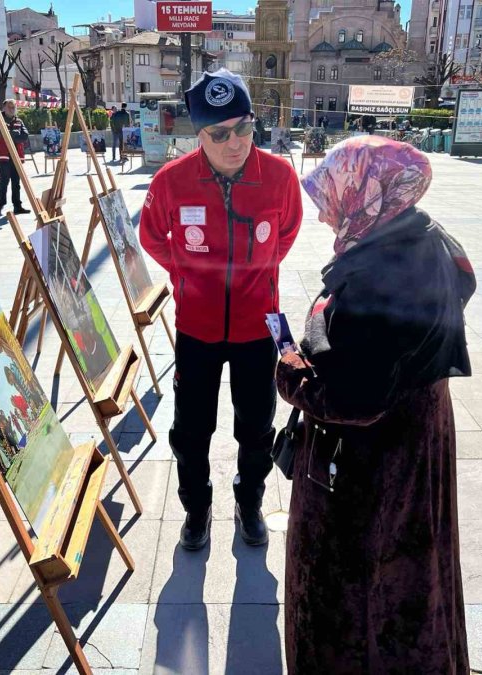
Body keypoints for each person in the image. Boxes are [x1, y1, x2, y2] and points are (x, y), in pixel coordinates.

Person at [276, 136, 474, 674]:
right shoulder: (425, 236)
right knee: (415, 576)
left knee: (359, 598)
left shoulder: (376, 275)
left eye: (331, 200)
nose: (322, 217)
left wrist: (291, 368)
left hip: (371, 470)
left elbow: (351, 399)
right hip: (420, 439)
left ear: (363, 193)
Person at [140, 68, 302, 550]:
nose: (236, 143)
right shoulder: (171, 181)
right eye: (220, 133)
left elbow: (288, 231)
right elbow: (151, 236)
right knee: (191, 431)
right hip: (197, 329)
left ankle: (248, 502)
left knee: (256, 427)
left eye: (244, 127)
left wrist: (259, 272)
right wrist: (186, 274)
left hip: (259, 326)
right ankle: (197, 509)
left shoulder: (279, 176)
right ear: (200, 134)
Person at [0, 99, 31, 217]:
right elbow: (1, 133)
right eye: (9, 107)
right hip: (4, 156)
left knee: (16, 182)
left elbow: (24, 136)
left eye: (13, 107)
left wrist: (13, 135)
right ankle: (1, 204)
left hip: (16, 156)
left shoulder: (19, 120)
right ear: (3, 108)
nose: (12, 109)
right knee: (4, 181)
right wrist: (14, 134)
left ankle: (17, 206)